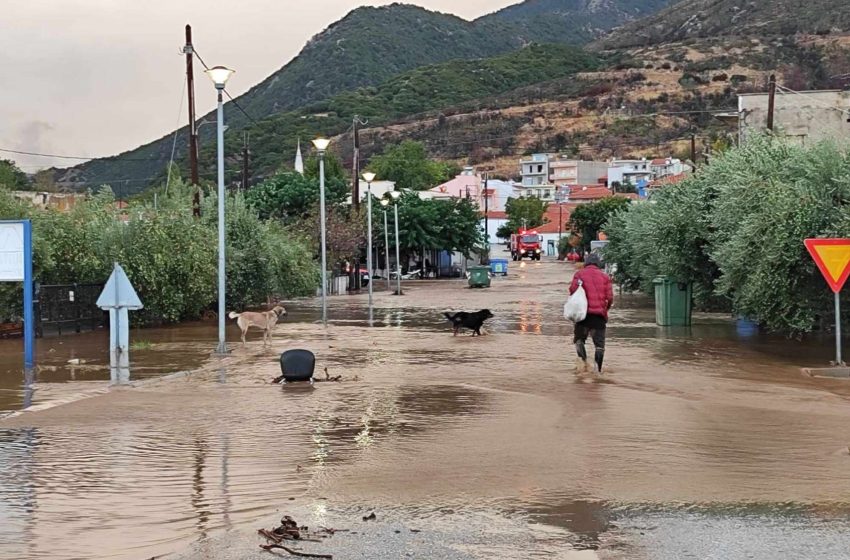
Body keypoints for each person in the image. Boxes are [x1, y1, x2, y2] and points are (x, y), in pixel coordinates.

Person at [569, 252, 614, 374]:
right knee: (599, 346)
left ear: (586, 262)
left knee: (579, 340)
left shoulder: (579, 274)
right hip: (599, 316)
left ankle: (583, 365)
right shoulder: (605, 277)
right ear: (598, 263)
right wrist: (606, 309)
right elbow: (610, 297)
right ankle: (597, 371)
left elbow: (572, 290)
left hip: (582, 315)